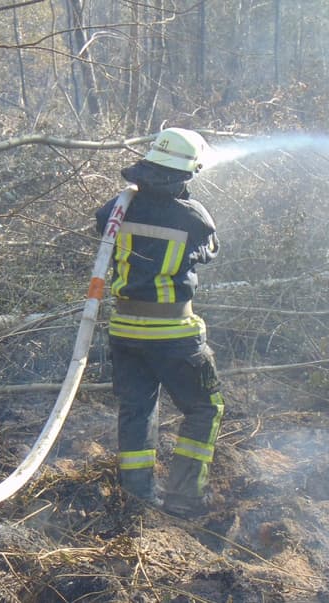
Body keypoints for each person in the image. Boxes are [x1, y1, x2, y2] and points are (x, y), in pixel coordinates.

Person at [95, 127, 226, 519]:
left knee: (136, 408)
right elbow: (208, 251)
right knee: (206, 409)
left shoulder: (115, 209)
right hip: (173, 335)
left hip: (124, 332)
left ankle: (137, 497)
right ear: (187, 173)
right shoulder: (193, 218)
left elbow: (104, 229)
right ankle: (185, 497)